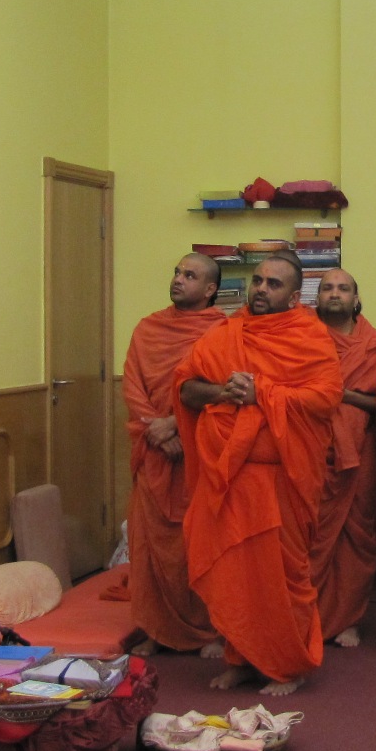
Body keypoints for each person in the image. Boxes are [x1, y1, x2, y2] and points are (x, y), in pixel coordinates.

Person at [175, 253, 343, 696]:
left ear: (293, 295)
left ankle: (288, 665)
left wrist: (262, 392)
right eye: (257, 280)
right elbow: (187, 388)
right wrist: (223, 390)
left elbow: (326, 398)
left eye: (273, 283)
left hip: (282, 478)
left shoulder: (310, 337)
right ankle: (240, 659)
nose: (261, 289)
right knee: (235, 575)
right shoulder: (226, 334)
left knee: (282, 577)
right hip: (229, 479)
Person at [123, 254, 228, 657]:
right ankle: (156, 627)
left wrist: (177, 425)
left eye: (190, 275)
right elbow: (132, 385)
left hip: (199, 452)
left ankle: (210, 630)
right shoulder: (148, 328)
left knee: (200, 541)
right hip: (154, 450)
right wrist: (155, 426)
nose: (178, 280)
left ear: (210, 290)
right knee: (151, 544)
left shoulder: (223, 331)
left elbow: (221, 389)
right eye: (177, 273)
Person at [309, 269, 376, 649]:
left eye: (343, 288)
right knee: (308, 535)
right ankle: (306, 616)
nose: (334, 294)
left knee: (358, 536)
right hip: (308, 451)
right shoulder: (298, 339)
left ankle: (348, 619)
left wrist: (341, 394)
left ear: (356, 300)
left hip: (359, 452)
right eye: (327, 287)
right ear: (316, 297)